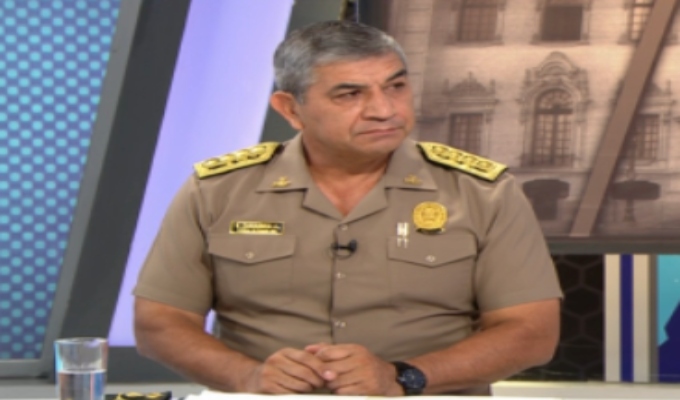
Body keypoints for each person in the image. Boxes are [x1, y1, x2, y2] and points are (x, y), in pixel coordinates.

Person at [133, 20, 562, 396]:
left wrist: (404, 377)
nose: (384, 110)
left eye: (396, 86)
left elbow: (531, 332)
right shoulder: (217, 190)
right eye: (350, 94)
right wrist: (248, 376)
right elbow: (160, 322)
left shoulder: (483, 192)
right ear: (291, 109)